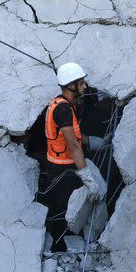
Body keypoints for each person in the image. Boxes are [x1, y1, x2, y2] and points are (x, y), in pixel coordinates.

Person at [37, 62, 106, 249]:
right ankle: (59, 248)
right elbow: (73, 145)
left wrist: (91, 141)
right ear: (70, 85)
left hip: (60, 164)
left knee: (65, 206)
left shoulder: (63, 104)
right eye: (81, 83)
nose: (85, 87)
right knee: (65, 210)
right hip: (63, 169)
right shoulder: (64, 110)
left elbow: (75, 136)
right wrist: (87, 178)